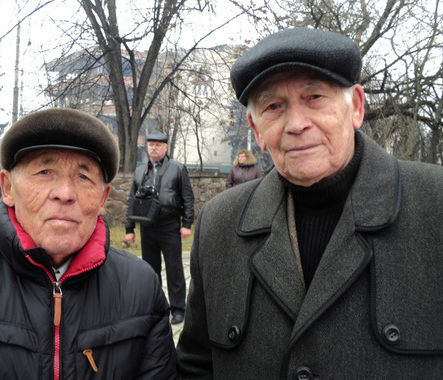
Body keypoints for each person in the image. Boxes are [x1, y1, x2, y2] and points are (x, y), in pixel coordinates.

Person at [177, 28, 442, 378]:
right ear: (257, 131)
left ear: (357, 107)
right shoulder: (219, 223)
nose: (296, 124)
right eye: (274, 106)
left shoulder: (435, 205)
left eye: (314, 97)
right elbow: (196, 366)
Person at [0, 108, 178, 379]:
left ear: (103, 199)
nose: (65, 194)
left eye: (83, 176)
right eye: (45, 171)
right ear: (7, 188)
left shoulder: (142, 288)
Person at [125, 132, 195, 325]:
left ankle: (178, 309)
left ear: (165, 148)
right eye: (151, 145)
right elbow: (132, 199)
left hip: (169, 224)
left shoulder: (177, 168)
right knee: (150, 270)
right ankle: (155, 307)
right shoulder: (140, 171)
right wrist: (129, 228)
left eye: (157, 145)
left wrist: (186, 224)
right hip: (147, 225)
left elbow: (188, 198)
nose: (153, 148)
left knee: (174, 268)